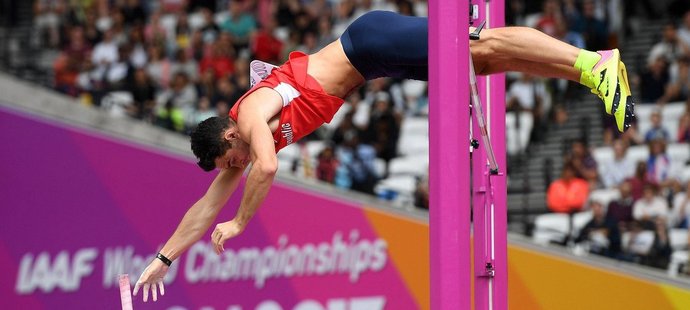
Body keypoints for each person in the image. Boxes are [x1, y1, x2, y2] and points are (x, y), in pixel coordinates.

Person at [133, 10, 634, 301]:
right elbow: (204, 208)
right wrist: (163, 258)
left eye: (226, 165)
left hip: (365, 41)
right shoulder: (240, 141)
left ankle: (593, 60)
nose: (231, 173)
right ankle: (593, 77)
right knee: (485, 62)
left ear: (226, 141)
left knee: (483, 43)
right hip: (371, 65)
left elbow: (265, 167)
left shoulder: (250, 120)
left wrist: (241, 224)